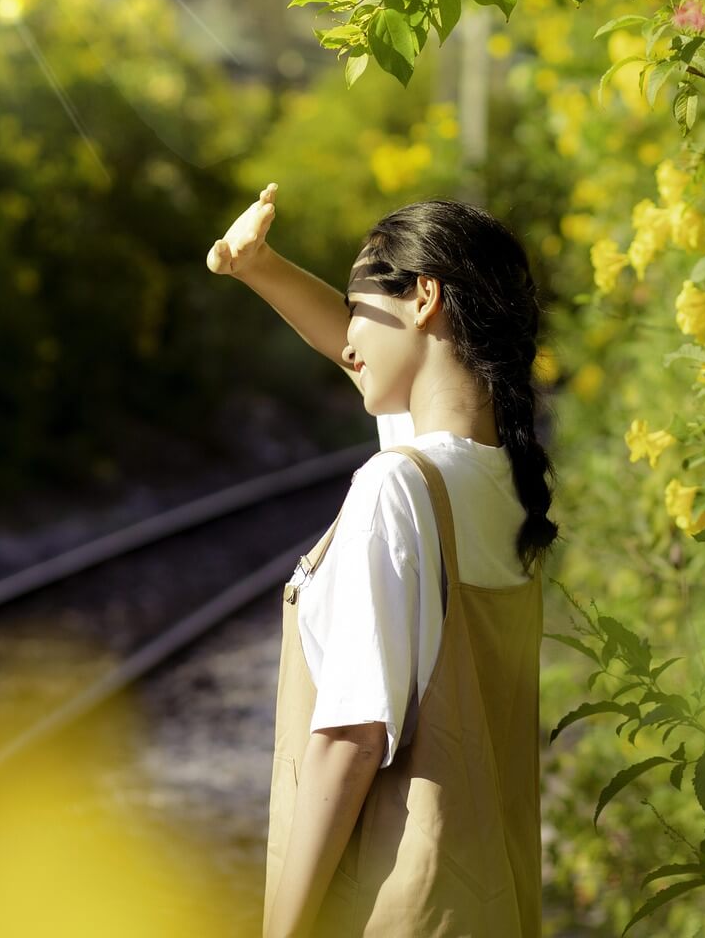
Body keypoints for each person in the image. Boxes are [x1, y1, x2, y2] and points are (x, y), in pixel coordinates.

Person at [206, 182, 558, 938]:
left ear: (424, 296)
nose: (348, 340)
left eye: (359, 307)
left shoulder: (397, 485)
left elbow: (353, 738)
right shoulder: (495, 484)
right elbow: (362, 352)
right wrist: (255, 265)